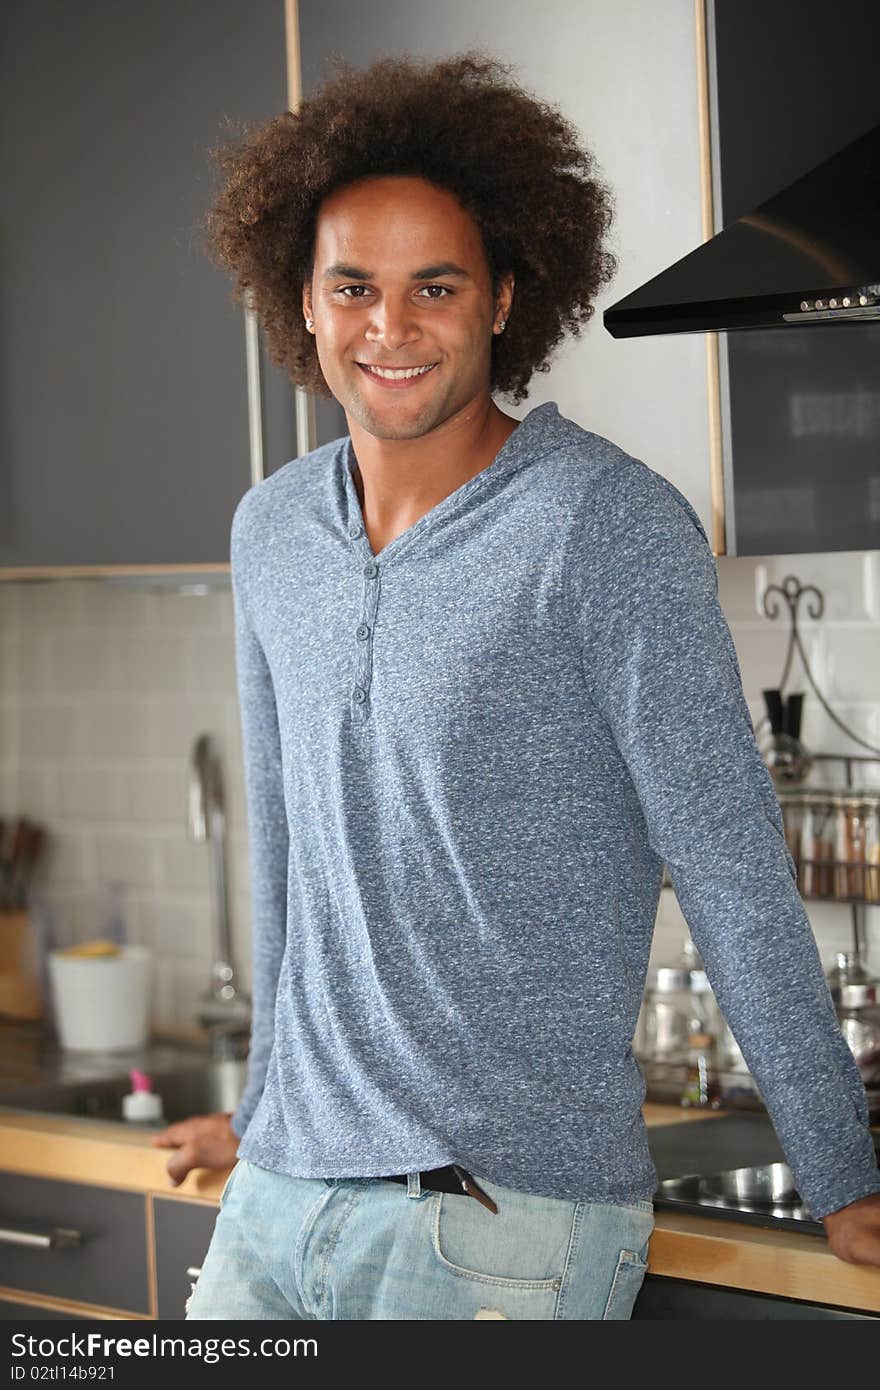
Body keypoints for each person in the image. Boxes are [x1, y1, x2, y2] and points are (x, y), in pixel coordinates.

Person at [153, 51, 880, 1319]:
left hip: (500, 1222)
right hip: (276, 1201)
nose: (390, 327)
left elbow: (723, 854)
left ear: (500, 296)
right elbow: (289, 859)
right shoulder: (269, 531)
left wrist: (840, 1168)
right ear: (301, 304)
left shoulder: (603, 528)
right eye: (353, 288)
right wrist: (265, 1104)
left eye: (433, 285)